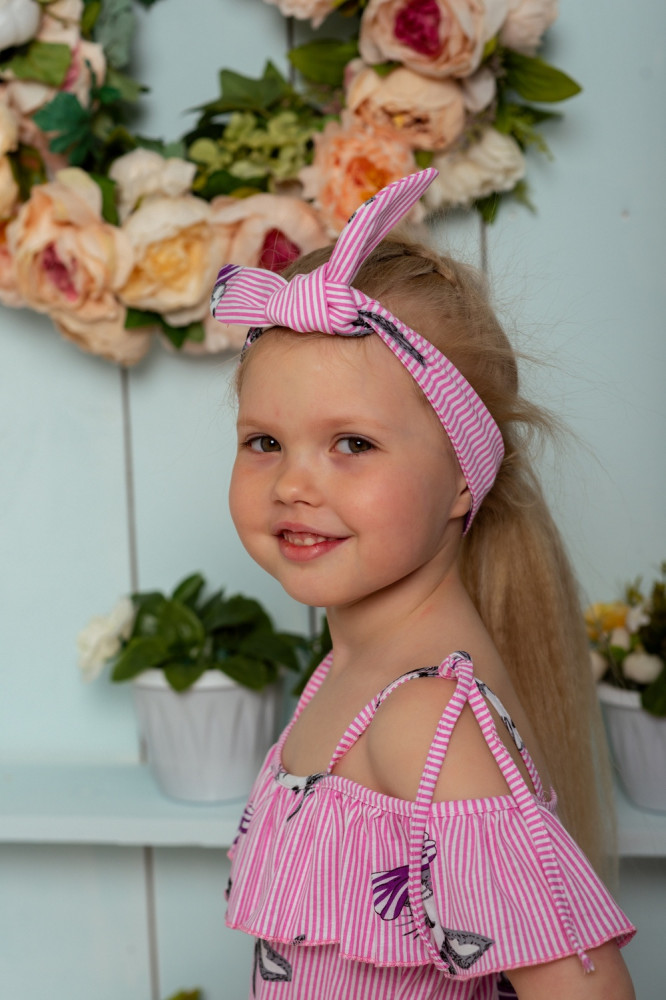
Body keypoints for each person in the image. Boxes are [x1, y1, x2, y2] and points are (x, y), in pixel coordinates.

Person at [210, 169, 636, 999]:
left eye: (353, 444)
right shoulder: (352, 675)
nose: (293, 484)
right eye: (264, 442)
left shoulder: (426, 718)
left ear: (463, 479)